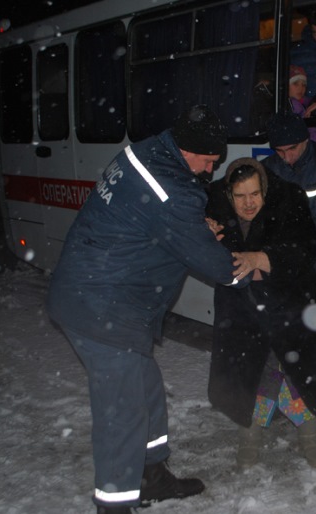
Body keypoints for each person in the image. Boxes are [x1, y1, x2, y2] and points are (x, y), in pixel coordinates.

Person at [46, 105, 252, 514]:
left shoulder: (145, 152)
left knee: (146, 388)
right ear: (187, 149)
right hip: (101, 306)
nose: (210, 170)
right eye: (209, 160)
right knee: (122, 412)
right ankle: (115, 504)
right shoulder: (169, 190)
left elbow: (154, 223)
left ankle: (152, 475)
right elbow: (211, 263)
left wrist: (191, 229)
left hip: (100, 294)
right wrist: (248, 270)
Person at [205, 157, 316, 469]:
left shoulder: (289, 202)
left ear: (264, 189)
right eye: (240, 196)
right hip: (242, 312)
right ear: (228, 195)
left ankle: (311, 443)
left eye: (255, 194)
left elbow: (303, 250)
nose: (249, 204)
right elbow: (202, 255)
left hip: (290, 307)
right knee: (253, 380)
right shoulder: (213, 208)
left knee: (296, 378)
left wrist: (261, 258)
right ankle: (248, 443)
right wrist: (203, 234)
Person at [262, 112, 316, 349]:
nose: (287, 157)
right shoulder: (269, 169)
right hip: (296, 249)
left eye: (292, 149)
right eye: (279, 151)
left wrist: (308, 233)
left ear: (305, 140)